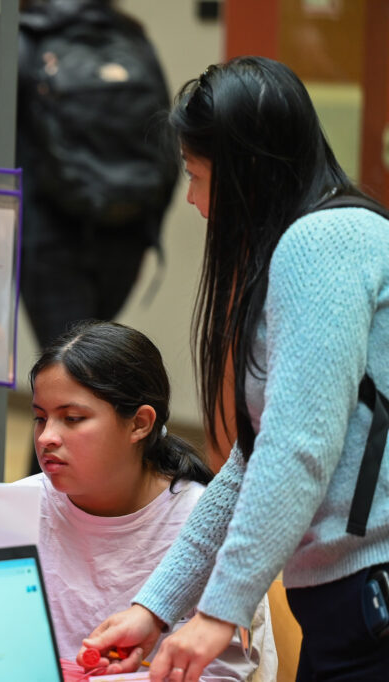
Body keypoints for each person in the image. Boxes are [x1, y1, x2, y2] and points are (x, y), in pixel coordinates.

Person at [81, 56, 389, 681]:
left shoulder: (320, 243)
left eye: (197, 175)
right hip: (351, 601)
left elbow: (295, 450)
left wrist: (220, 611)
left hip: (370, 599)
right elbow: (254, 459)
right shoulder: (328, 236)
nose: (193, 200)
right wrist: (158, 606)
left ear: (249, 169)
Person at [20, 321, 275, 680]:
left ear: (140, 423)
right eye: (40, 418)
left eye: (72, 418)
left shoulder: (206, 523)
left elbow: (225, 672)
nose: (47, 437)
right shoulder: (15, 508)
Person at [16, 0, 179, 361]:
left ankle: (68, 418)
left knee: (70, 365)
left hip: (49, 239)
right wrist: (148, 232)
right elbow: (165, 144)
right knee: (88, 362)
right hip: (126, 229)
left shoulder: (25, 38)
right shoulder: (130, 37)